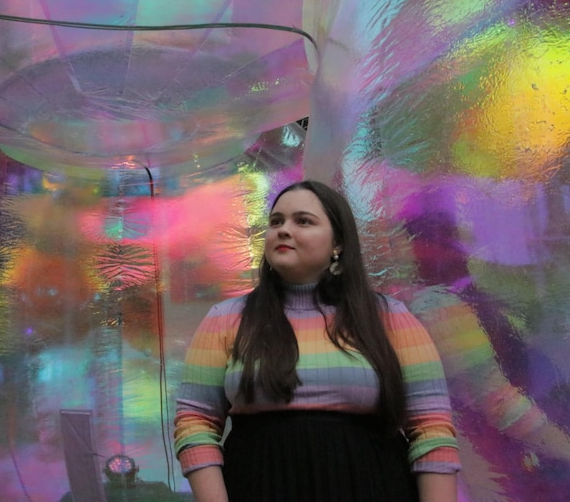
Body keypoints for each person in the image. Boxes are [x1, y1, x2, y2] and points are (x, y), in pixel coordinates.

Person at [173, 180, 461, 502]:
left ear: (337, 242)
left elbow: (431, 429)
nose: (283, 230)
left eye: (303, 221)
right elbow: (195, 423)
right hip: (257, 487)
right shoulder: (225, 318)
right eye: (276, 221)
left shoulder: (389, 318)